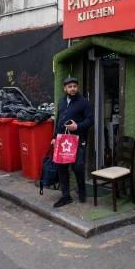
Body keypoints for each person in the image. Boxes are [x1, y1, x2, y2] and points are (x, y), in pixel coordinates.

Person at [51, 76, 93, 208]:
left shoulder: (84, 102)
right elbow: (58, 120)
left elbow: (90, 120)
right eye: (70, 86)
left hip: (78, 140)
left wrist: (78, 127)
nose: (72, 88)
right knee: (62, 168)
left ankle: (82, 192)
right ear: (65, 88)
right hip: (62, 140)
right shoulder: (61, 102)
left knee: (78, 167)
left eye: (75, 86)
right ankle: (65, 196)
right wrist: (54, 137)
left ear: (77, 88)